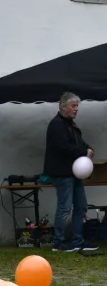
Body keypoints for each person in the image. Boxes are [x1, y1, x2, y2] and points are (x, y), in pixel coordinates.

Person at [43, 92, 99, 253]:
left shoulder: (71, 125)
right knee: (64, 207)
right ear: (63, 107)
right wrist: (83, 152)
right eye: (73, 106)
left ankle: (78, 241)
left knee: (80, 206)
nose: (76, 109)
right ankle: (58, 242)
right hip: (62, 173)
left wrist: (89, 149)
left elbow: (79, 143)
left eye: (77, 106)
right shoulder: (56, 125)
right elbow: (63, 147)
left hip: (74, 173)